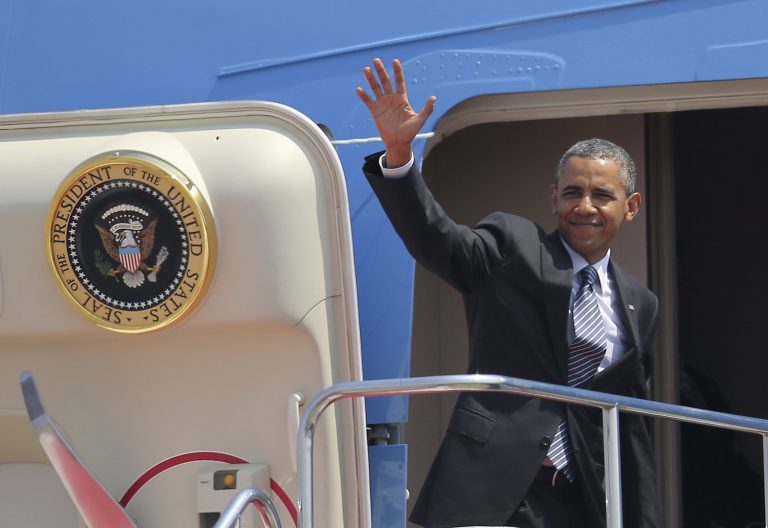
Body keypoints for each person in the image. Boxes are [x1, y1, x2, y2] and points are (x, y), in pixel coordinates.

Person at [356, 58, 661, 528]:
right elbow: (438, 241)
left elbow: (633, 427)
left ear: (631, 205)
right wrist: (399, 158)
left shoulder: (641, 304)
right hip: (492, 490)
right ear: (553, 197)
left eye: (601, 194)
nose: (584, 207)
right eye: (571, 192)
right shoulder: (513, 245)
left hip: (583, 502)